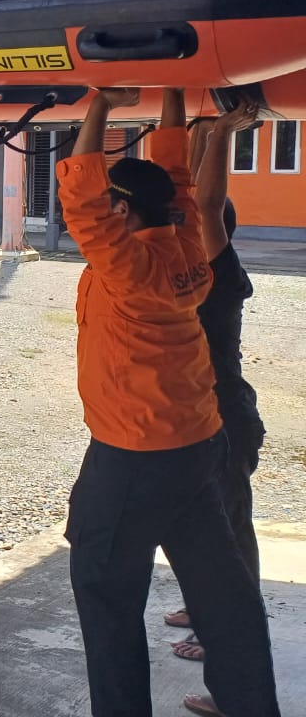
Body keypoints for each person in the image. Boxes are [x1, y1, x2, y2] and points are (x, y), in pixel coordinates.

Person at [57, 87, 278, 717]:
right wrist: (175, 94)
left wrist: (99, 104)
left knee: (105, 596)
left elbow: (82, 198)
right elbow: (180, 182)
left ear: (123, 209)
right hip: (196, 449)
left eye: (113, 204)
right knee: (226, 601)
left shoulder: (127, 265)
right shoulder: (187, 252)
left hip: (134, 457)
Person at [164, 101, 267, 714]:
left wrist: (223, 135)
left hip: (225, 418)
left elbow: (201, 204)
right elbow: (193, 201)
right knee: (205, 525)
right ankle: (206, 611)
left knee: (228, 536)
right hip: (210, 416)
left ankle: (224, 645)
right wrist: (199, 131)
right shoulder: (194, 268)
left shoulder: (216, 270)